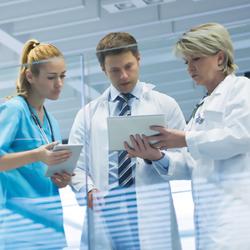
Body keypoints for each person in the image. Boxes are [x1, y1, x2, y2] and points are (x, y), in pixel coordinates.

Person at [126, 23, 250, 250]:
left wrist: (185, 139)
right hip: (209, 223)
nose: (190, 68)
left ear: (220, 59)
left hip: (237, 220)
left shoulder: (241, 89)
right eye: (187, 62)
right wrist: (156, 156)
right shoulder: (203, 106)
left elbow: (241, 137)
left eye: (197, 59)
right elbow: (191, 164)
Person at [69, 32, 186, 250]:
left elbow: (187, 160)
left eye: (129, 66)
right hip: (107, 213)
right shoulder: (87, 114)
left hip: (151, 212)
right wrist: (88, 191)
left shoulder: (165, 105)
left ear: (139, 59)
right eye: (114, 70)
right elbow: (76, 166)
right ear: (103, 70)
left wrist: (157, 157)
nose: (123, 76)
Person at [0, 39, 72, 249]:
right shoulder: (14, 110)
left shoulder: (52, 122)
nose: (59, 83)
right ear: (30, 76)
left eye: (62, 76)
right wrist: (37, 155)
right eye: (51, 77)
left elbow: (42, 170)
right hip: (19, 230)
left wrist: (62, 178)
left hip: (51, 228)